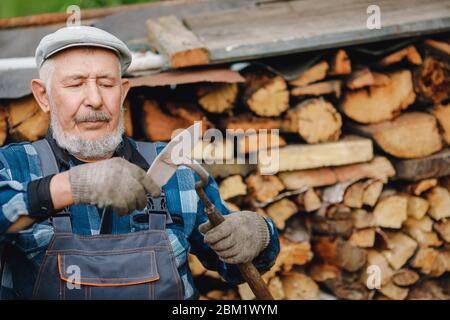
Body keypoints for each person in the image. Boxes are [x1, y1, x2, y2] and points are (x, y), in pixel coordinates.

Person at [0, 26, 279, 300]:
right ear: (43, 96)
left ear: (122, 92)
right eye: (75, 84)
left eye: (107, 84)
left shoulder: (174, 170)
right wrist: (70, 187)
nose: (95, 100)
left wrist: (260, 235)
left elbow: (231, 265)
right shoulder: (15, 166)